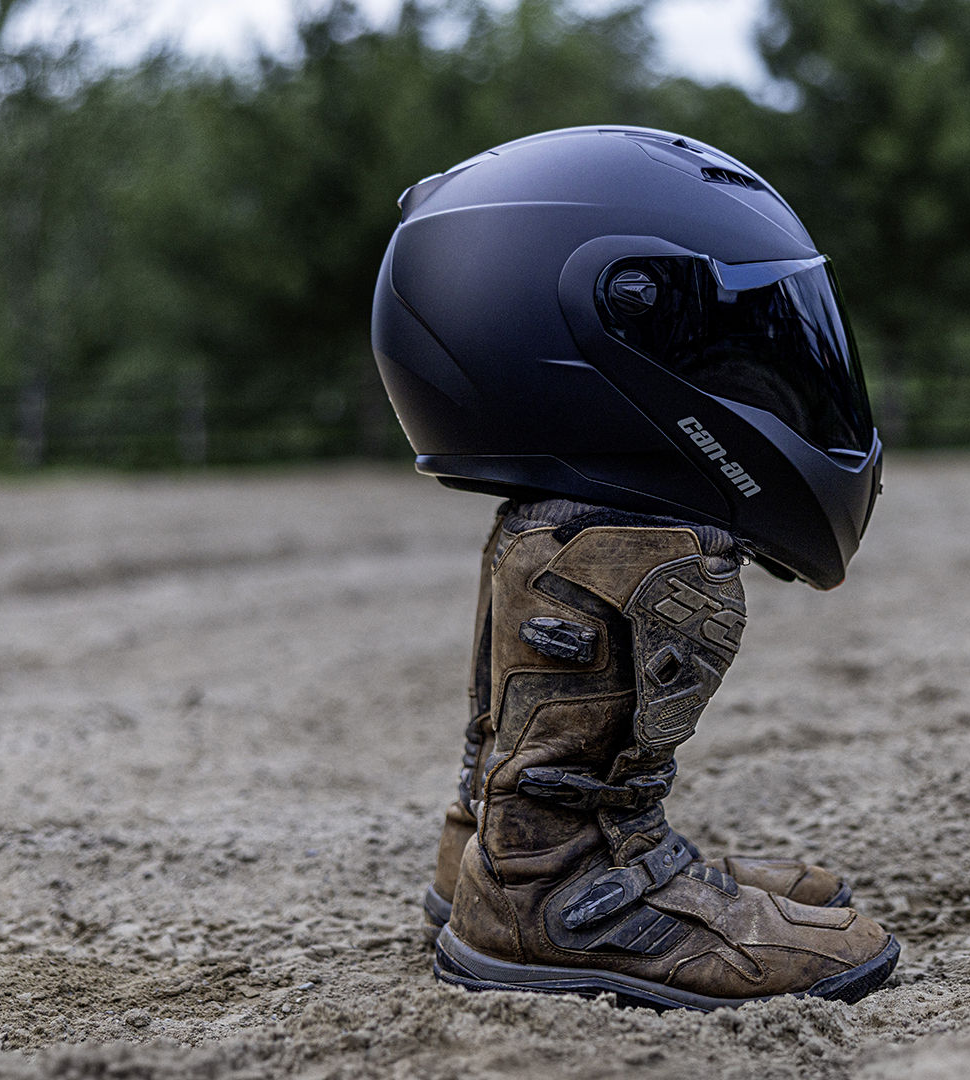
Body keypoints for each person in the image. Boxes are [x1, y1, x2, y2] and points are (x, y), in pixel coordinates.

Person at [370, 126, 897, 1010]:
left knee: (566, 531)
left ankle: (500, 850)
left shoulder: (554, 535)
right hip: (562, 902)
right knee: (607, 542)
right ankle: (560, 883)